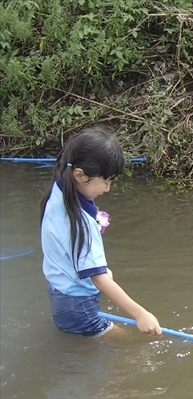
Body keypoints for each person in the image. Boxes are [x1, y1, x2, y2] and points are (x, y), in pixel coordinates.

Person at [40, 125, 162, 337]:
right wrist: (140, 314)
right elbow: (100, 280)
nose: (107, 189)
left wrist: (101, 272)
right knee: (126, 343)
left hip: (60, 292)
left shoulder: (59, 188)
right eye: (105, 181)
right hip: (78, 306)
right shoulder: (81, 223)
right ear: (79, 175)